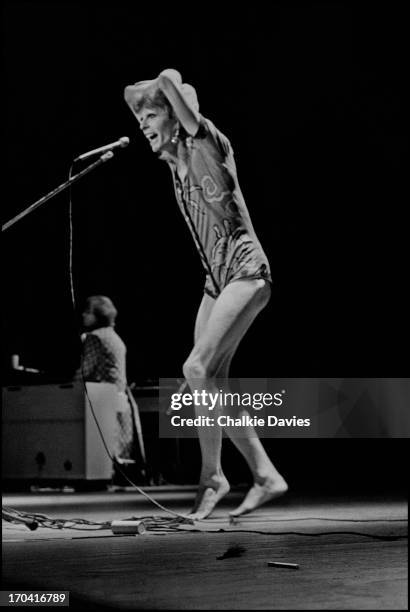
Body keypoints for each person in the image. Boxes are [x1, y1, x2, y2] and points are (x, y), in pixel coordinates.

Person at [124, 69, 288, 519]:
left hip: (246, 269)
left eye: (153, 117)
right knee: (208, 380)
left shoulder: (207, 143)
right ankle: (213, 476)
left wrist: (163, 84)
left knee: (196, 367)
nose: (144, 129)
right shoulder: (175, 167)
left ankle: (263, 473)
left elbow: (173, 86)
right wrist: (144, 104)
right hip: (215, 280)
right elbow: (132, 100)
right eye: (142, 123)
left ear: (178, 118)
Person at [78, 295, 135, 462]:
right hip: (118, 399)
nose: (83, 315)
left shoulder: (94, 336)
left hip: (101, 401)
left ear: (98, 315)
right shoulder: (115, 337)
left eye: (87, 312)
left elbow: (85, 371)